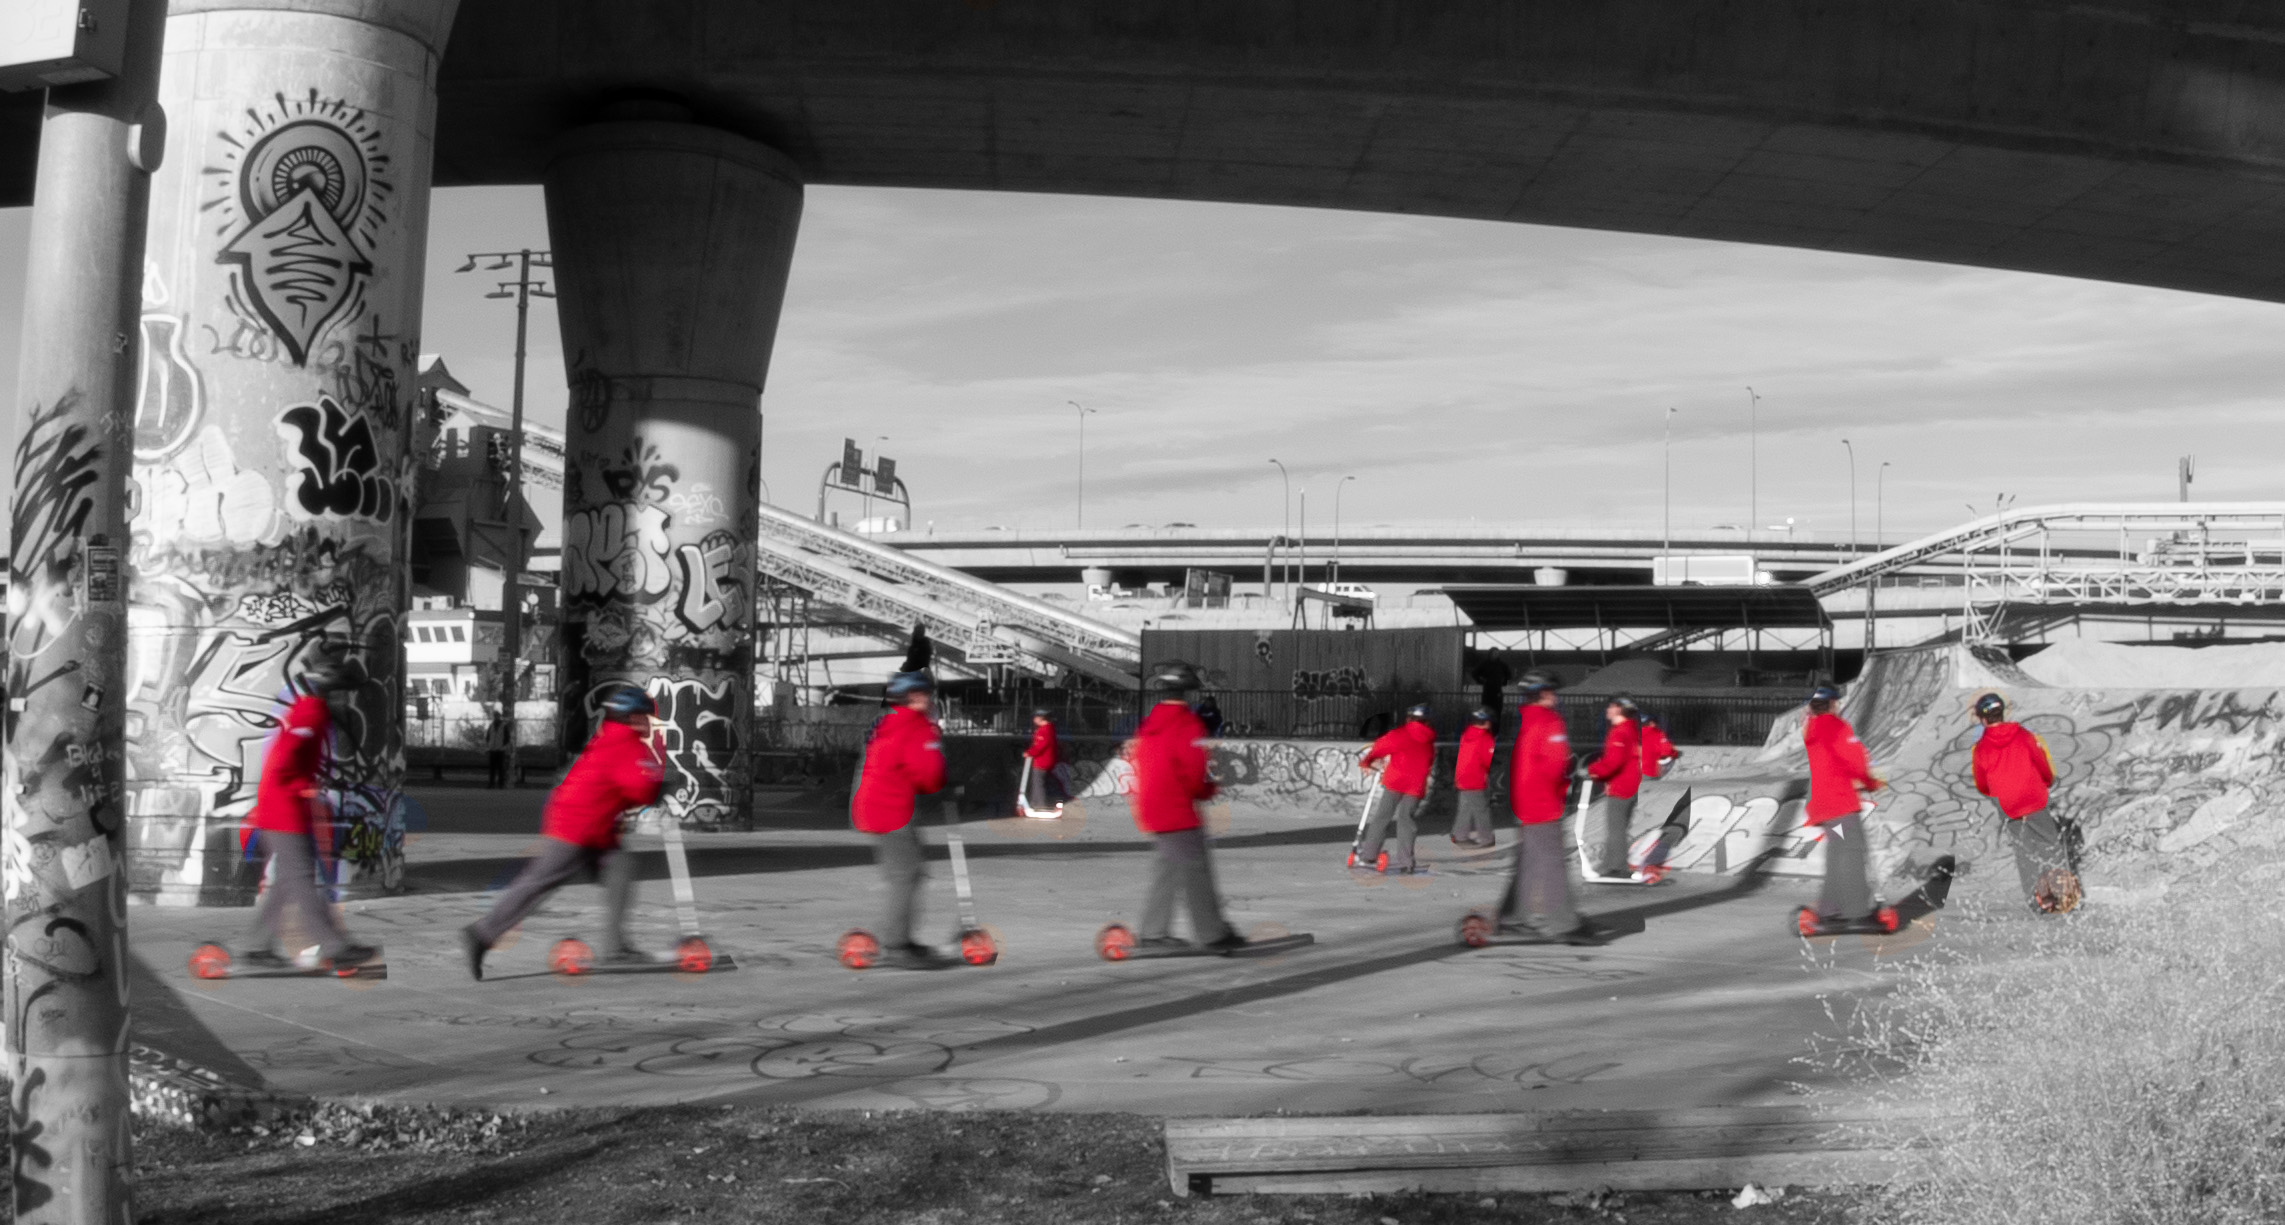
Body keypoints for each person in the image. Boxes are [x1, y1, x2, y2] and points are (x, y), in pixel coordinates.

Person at [461, 683, 665, 979]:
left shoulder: (610, 736)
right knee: (538, 883)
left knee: (620, 871)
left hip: (592, 828)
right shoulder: (626, 744)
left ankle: (616, 947)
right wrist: (661, 782)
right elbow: (641, 789)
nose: (649, 723)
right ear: (633, 717)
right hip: (578, 828)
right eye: (646, 717)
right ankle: (481, 933)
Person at [239, 658, 379, 969]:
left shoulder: (308, 708)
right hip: (283, 810)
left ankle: (256, 947)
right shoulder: (311, 712)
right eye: (343, 693)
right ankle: (333, 945)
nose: (346, 700)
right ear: (332, 691)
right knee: (303, 879)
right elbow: (282, 760)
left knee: (287, 881)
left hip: (281, 808)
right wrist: (304, 785)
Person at [1128, 661, 1243, 952]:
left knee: (1167, 870)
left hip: (1152, 805)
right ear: (1188, 692)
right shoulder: (1188, 724)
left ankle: (1153, 933)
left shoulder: (1149, 724)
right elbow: (1194, 774)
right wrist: (1208, 789)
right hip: (1178, 809)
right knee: (1197, 872)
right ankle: (1213, 934)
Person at [850, 669, 949, 967]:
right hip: (892, 810)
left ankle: (899, 938)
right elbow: (929, 775)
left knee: (905, 874)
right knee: (906, 876)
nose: (931, 701)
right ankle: (896, 945)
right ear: (916, 697)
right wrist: (945, 778)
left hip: (873, 806)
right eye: (928, 695)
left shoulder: (888, 721)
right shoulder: (917, 726)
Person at [1500, 672, 1597, 942]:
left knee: (1529, 862)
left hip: (1525, 802)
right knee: (1553, 864)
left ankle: (1513, 917)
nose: (1555, 696)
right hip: (1543, 804)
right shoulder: (1549, 721)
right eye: (1551, 691)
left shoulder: (1527, 720)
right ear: (1543, 694)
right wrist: (1572, 771)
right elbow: (1556, 764)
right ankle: (1565, 924)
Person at [1969, 693, 2070, 911]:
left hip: (2008, 805)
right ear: (2002, 712)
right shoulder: (2023, 735)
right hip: (2033, 797)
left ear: (1983, 719)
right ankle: (2062, 897)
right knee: (2049, 844)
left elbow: (1981, 783)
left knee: (2025, 852)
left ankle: (2039, 902)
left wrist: (1997, 794)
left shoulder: (1981, 748)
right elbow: (2041, 763)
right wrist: (2046, 781)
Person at [1803, 684, 1886, 930]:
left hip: (1824, 808)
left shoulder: (1812, 728)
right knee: (1851, 852)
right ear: (1832, 704)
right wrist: (1870, 782)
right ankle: (1857, 913)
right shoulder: (1836, 726)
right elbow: (1854, 760)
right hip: (1840, 804)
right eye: (1837, 703)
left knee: (1837, 854)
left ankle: (1829, 912)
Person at [1355, 704, 1436, 873]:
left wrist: (1366, 761)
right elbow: (1429, 761)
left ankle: (1369, 854)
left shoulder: (1400, 734)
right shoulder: (1429, 739)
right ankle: (1406, 861)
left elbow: (1379, 747)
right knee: (1407, 820)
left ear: (1408, 718)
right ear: (1427, 721)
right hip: (1416, 784)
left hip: (1396, 781)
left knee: (1382, 817)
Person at [1583, 696, 1645, 879]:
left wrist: (1592, 771)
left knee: (1615, 829)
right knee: (1617, 828)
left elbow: (1613, 762)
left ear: (1619, 709)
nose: (1607, 710)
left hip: (1620, 786)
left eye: (1611, 706)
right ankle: (1609, 865)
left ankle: (1617, 868)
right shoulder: (1631, 730)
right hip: (1629, 785)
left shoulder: (1619, 732)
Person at [1450, 707, 1498, 848]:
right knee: (1481, 810)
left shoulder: (1466, 733)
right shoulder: (1486, 738)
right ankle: (1486, 838)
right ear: (1486, 722)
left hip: (1461, 776)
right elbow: (1486, 760)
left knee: (1465, 807)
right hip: (1475, 778)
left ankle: (1460, 835)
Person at [1022, 708, 1062, 815]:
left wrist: (1029, 752)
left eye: (1036, 717)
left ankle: (1040, 805)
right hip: (1044, 760)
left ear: (1041, 718)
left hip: (1042, 761)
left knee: (1038, 783)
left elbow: (1040, 746)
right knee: (1036, 782)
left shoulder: (1045, 730)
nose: (1034, 719)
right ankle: (1035, 803)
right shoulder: (1048, 729)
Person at [485, 707, 511, 789]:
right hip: (492, 749)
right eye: (495, 716)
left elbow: (507, 737)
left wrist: (503, 745)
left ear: (499, 716)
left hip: (500, 750)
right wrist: (489, 744)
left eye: (497, 716)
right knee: (492, 768)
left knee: (500, 768)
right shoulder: (491, 725)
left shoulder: (504, 726)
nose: (496, 717)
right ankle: (491, 783)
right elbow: (488, 736)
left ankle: (501, 784)